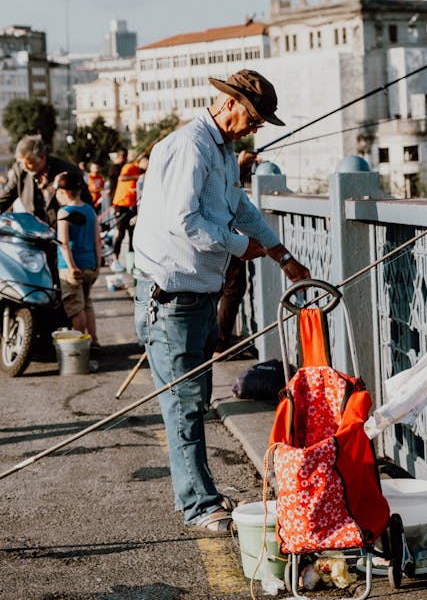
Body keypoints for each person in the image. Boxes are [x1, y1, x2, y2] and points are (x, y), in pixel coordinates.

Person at [133, 68, 310, 533]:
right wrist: (239, 247)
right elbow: (183, 220)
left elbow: (241, 208)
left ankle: (200, 493)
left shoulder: (223, 150)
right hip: (170, 301)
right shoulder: (191, 146)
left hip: (195, 299)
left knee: (194, 399)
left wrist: (279, 253)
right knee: (185, 405)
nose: (255, 128)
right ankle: (199, 506)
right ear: (229, 102)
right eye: (254, 117)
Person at [214, 149, 259, 358]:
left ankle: (217, 341)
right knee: (233, 286)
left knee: (224, 287)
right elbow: (220, 191)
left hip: (218, 233)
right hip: (219, 234)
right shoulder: (207, 152)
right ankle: (219, 343)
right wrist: (239, 168)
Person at [54, 171, 101, 368]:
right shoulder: (90, 210)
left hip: (71, 267)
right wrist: (98, 264)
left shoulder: (64, 213)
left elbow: (63, 242)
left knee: (75, 307)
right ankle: (94, 340)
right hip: (90, 263)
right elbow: (97, 239)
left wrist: (71, 266)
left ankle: (82, 345)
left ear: (64, 193)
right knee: (87, 304)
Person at [0, 135, 92, 228]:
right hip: (34, 233)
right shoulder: (19, 171)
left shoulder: (68, 171)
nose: (24, 167)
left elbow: (86, 204)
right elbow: (4, 199)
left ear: (42, 157)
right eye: (21, 163)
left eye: (30, 163)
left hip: (65, 234)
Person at [111, 156, 142, 271]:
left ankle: (132, 263)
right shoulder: (130, 166)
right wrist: (137, 177)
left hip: (133, 206)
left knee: (132, 234)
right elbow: (121, 178)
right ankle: (115, 260)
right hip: (121, 204)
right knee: (120, 233)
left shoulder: (144, 171)